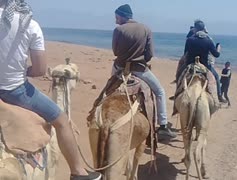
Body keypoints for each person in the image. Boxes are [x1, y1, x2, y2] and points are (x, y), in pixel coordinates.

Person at [0, 1, 101, 179]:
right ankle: (78, 172)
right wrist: (23, 70)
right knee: (62, 121)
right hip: (15, 91)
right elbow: (39, 70)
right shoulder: (29, 24)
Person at [111, 4, 176, 138]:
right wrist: (141, 60)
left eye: (116, 17)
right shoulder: (146, 29)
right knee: (160, 91)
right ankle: (163, 125)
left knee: (109, 90)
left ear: (122, 16)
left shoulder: (118, 30)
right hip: (140, 69)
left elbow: (115, 51)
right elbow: (150, 53)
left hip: (120, 68)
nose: (115, 20)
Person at [184, 20, 225, 102]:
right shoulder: (208, 40)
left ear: (195, 29)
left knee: (180, 77)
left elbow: (185, 54)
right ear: (203, 29)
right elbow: (216, 55)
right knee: (216, 77)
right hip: (204, 67)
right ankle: (219, 97)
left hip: (191, 66)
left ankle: (177, 96)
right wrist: (218, 49)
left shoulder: (190, 40)